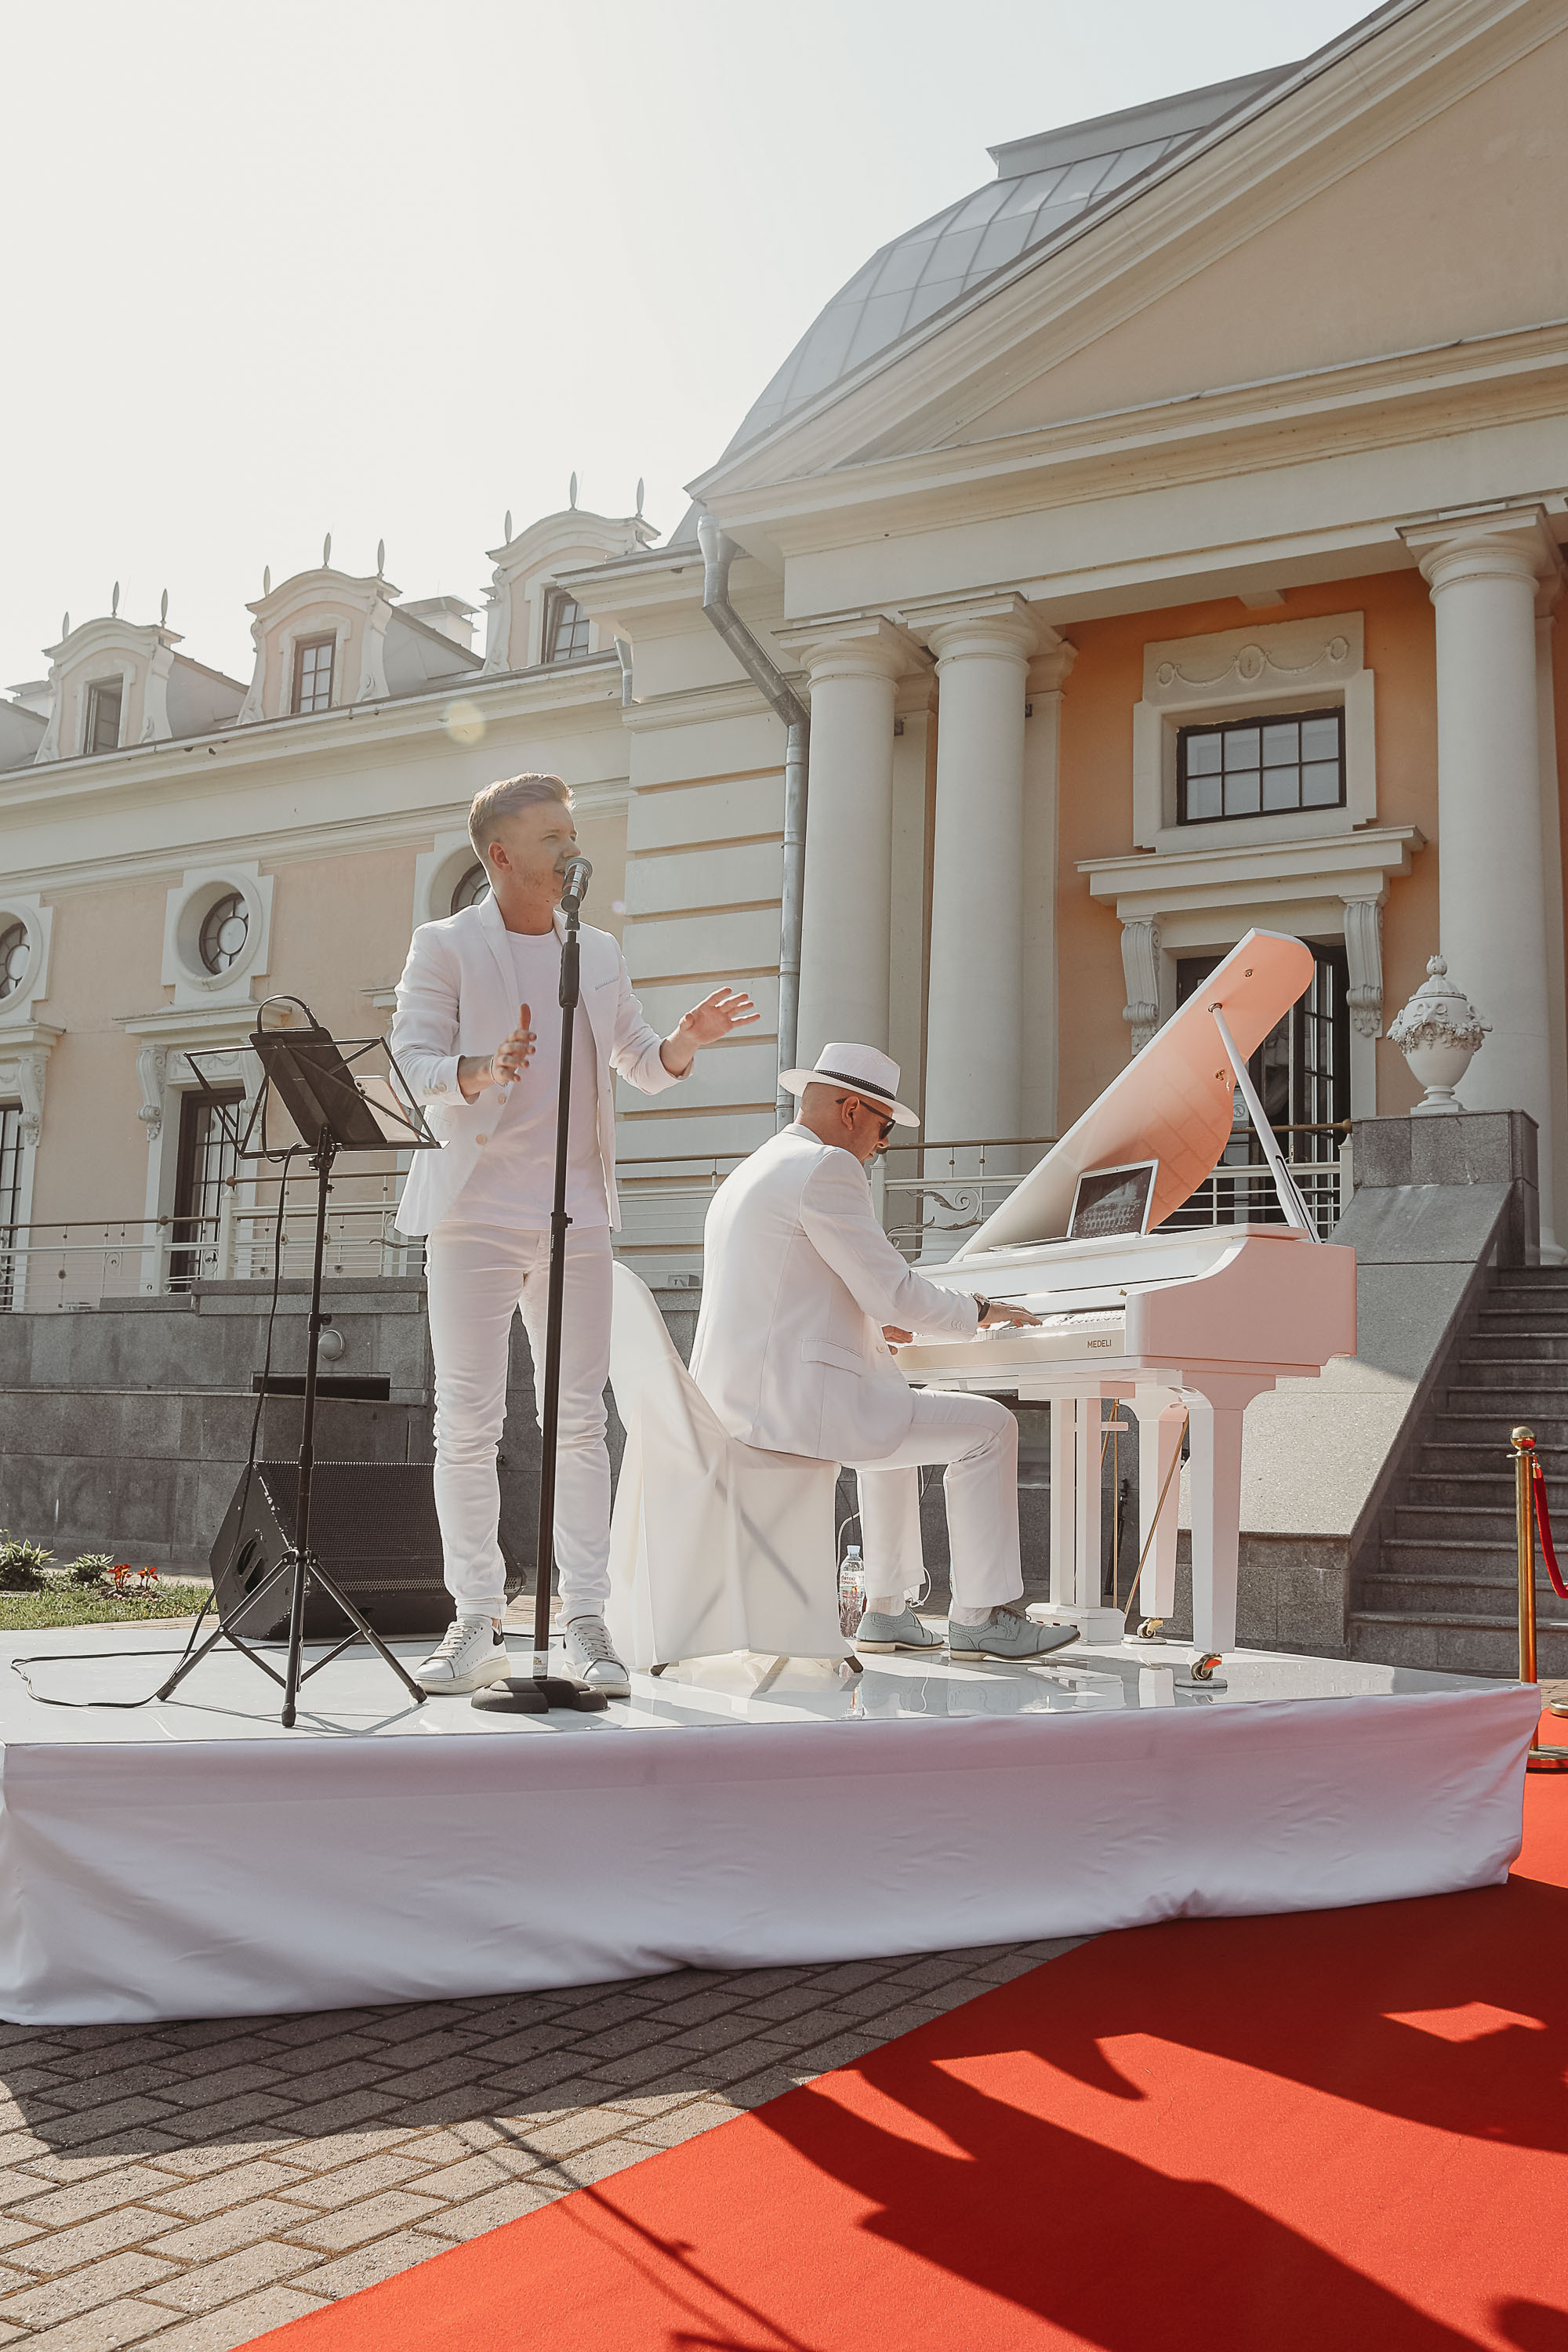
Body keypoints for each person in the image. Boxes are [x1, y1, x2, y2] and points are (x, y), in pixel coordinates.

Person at [390, 771, 756, 1695]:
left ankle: (587, 1620)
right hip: (473, 1214)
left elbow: (639, 1061)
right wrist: (477, 1070)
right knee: (466, 1424)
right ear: (500, 854)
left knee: (580, 1421)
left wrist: (683, 1042)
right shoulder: (444, 945)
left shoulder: (595, 950)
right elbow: (410, 1061)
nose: (570, 849)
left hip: (576, 1215)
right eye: (551, 837)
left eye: (571, 834)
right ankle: (476, 1620)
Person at [688, 1042, 1080, 1661]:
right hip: (795, 1410)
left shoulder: (756, 1168)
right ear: (851, 1110)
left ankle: (886, 1609)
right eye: (884, 1127)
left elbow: (791, 1293)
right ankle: (980, 1617)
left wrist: (872, 1325)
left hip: (740, 1405)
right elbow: (893, 1291)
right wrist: (980, 1311)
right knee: (992, 1428)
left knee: (888, 1414)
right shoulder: (826, 1167)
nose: (882, 1146)